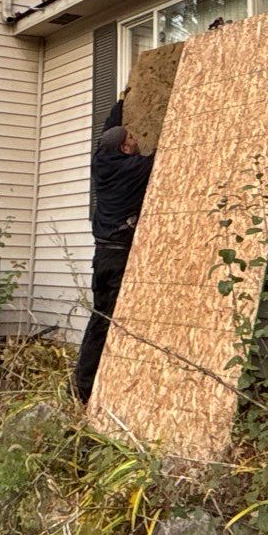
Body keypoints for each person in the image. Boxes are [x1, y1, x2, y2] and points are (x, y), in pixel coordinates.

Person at [72, 98, 156, 402]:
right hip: (118, 257)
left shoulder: (101, 160)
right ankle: (83, 387)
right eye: (132, 138)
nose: (136, 140)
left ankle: (90, 381)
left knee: (101, 318)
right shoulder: (132, 169)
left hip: (103, 256)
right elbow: (165, 153)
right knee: (106, 321)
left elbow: (108, 131)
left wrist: (124, 101)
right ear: (124, 148)